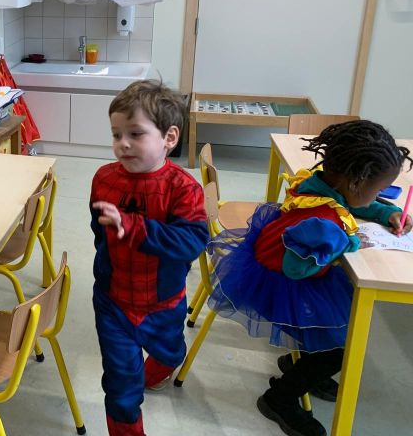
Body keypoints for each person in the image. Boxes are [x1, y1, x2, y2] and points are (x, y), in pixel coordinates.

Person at [207, 120, 412, 436]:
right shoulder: (324, 224)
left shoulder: (319, 184)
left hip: (272, 264)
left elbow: (349, 203)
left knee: (335, 328)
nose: (378, 196)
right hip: (281, 284)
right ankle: (279, 399)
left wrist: (386, 213)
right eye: (378, 190)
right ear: (356, 182)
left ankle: (301, 365)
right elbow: (296, 269)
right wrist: (346, 243)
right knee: (340, 348)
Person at [89, 80, 208, 436]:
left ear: (169, 137)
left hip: (163, 303)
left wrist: (134, 228)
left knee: (170, 354)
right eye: (116, 134)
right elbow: (99, 230)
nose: (122, 144)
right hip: (113, 302)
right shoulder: (103, 178)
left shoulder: (183, 188)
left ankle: (159, 368)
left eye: (135, 134)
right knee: (121, 388)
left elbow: (192, 242)